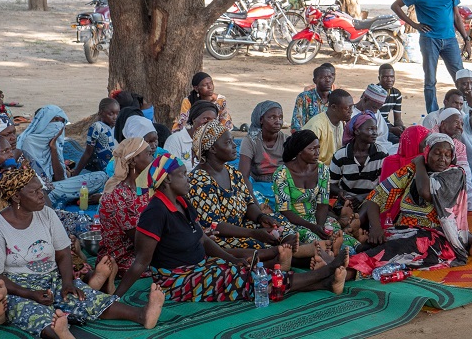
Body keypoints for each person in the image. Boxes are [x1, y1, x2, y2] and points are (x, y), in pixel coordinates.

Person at [115, 153, 347, 302]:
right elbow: (141, 262)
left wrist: (231, 259)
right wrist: (115, 297)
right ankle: (324, 273)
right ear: (166, 181)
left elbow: (203, 240)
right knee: (250, 282)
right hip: (175, 280)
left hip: (199, 265)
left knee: (252, 272)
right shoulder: (154, 213)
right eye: (183, 175)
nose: (188, 179)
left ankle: (325, 282)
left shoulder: (182, 202)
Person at [0, 168, 164, 337]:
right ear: (16, 197)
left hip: (52, 278)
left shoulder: (47, 214)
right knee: (32, 312)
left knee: (87, 298)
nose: (41, 195)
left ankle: (141, 315)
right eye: (35, 191)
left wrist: (67, 283)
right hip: (18, 287)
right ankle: (60, 334)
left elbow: (63, 253)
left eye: (41, 190)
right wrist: (30, 293)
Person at [349, 133, 472, 276]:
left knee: (393, 250)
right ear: (427, 152)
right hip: (403, 230)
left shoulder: (454, 174)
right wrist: (375, 227)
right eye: (437, 153)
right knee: (370, 245)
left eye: (447, 155)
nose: (442, 159)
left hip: (436, 236)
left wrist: (419, 163)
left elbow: (425, 191)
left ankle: (349, 270)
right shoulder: (411, 171)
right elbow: (376, 198)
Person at [187, 121, 312, 257]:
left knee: (277, 220)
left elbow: (249, 202)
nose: (235, 146)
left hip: (243, 227)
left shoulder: (232, 172)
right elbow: (214, 225)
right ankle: (292, 253)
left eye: (233, 141)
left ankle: (288, 249)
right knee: (257, 244)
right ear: (212, 149)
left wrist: (260, 217)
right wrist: (253, 233)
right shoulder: (199, 180)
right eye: (229, 142)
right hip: (220, 237)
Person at [390, 0, 471, 114]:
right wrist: (414, 25)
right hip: (429, 40)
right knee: (430, 80)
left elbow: (456, 16)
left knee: (461, 77)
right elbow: (396, 6)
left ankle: (464, 112)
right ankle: (433, 114)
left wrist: (466, 39)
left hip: (449, 39)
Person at [273, 130, 360, 253]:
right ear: (299, 151)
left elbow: (323, 204)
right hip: (293, 221)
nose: (317, 153)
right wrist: (313, 227)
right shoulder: (282, 174)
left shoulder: (322, 170)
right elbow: (285, 211)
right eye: (312, 149)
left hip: (316, 217)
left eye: (318, 148)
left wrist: (320, 225)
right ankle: (332, 252)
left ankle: (355, 247)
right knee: (311, 238)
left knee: (335, 232)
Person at [16, 106, 108, 207]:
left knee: (101, 176)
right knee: (44, 193)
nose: (58, 125)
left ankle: (64, 197)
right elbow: (36, 181)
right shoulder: (28, 142)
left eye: (62, 121)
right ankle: (66, 197)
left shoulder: (56, 142)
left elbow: (60, 178)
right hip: (38, 189)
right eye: (55, 120)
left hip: (56, 186)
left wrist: (53, 149)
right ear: (44, 121)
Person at [98, 138, 154, 276]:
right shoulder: (117, 195)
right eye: (148, 154)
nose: (153, 158)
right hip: (122, 256)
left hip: (146, 248)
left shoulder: (144, 187)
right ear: (134, 160)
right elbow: (138, 240)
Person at [330, 111, 389, 207]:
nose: (375, 133)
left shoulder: (381, 154)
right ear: (357, 131)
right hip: (347, 201)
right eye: (370, 129)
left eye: (375, 129)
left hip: (371, 201)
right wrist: (340, 192)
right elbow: (332, 184)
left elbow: (385, 186)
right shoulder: (341, 155)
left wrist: (364, 197)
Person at [238, 101, 286, 208]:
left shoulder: (286, 140)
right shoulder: (250, 141)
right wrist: (254, 202)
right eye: (272, 117)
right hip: (257, 184)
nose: (278, 121)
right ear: (261, 120)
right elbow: (243, 175)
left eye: (280, 117)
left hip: (282, 184)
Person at [433, 108, 472, 211]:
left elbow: (466, 173)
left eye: (461, 124)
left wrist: (468, 197)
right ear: (443, 124)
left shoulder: (459, 146)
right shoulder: (430, 139)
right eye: (456, 123)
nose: (460, 127)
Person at [164, 101, 218, 172]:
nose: (209, 123)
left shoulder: (215, 142)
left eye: (213, 120)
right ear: (194, 119)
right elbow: (170, 170)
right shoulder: (176, 140)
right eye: (206, 118)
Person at [303, 89, 352, 165]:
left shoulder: (341, 123)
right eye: (347, 108)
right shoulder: (316, 125)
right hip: (316, 170)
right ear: (334, 107)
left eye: (352, 107)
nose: (351, 111)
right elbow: (305, 156)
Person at [73, 98, 120, 175]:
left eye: (117, 113)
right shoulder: (97, 127)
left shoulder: (117, 126)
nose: (115, 117)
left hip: (116, 166)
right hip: (103, 168)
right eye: (111, 114)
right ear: (101, 112)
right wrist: (76, 173)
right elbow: (88, 152)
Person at [291, 63, 337, 132]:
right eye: (323, 77)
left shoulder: (336, 99)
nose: (328, 80)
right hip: (308, 140)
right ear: (315, 80)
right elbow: (296, 125)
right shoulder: (304, 97)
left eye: (330, 77)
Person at [351, 84, 396, 152]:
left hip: (381, 146)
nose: (375, 112)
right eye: (374, 107)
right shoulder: (350, 114)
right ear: (365, 100)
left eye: (378, 109)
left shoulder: (375, 112)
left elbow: (382, 136)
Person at [376, 64, 405, 142]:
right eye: (385, 77)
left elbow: (397, 119)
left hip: (387, 126)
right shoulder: (373, 93)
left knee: (407, 139)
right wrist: (391, 129)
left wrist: (401, 128)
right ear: (379, 78)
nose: (389, 80)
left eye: (392, 77)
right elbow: (368, 120)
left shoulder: (396, 94)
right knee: (398, 142)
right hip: (374, 128)